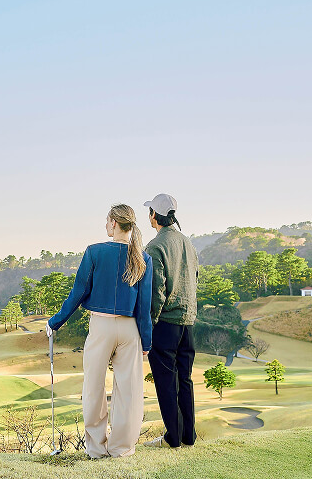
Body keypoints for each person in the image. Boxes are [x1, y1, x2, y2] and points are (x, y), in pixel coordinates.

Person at [46, 204, 153, 458]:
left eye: (107, 221)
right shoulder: (143, 258)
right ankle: (121, 448)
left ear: (114, 223)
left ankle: (96, 449)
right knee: (128, 392)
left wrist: (55, 322)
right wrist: (146, 342)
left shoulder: (94, 252)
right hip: (130, 330)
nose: (106, 225)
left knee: (93, 387)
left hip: (101, 327)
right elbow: (144, 307)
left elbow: (78, 293)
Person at [142, 193, 199, 449]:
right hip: (188, 322)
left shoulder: (156, 246)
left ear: (155, 215)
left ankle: (173, 438)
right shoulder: (188, 243)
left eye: (150, 212)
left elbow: (157, 291)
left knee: (166, 382)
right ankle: (189, 436)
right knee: (184, 379)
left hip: (166, 323)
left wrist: (150, 325)